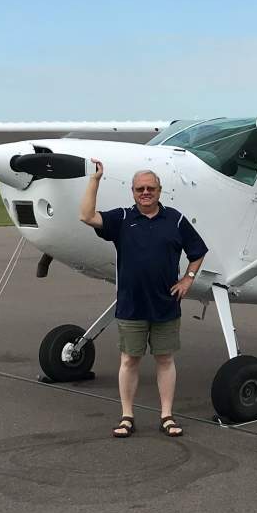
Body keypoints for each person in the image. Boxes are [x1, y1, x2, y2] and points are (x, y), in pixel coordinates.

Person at [79, 162, 207, 439]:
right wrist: (95, 180)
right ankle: (127, 416)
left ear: (160, 191)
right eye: (140, 189)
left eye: (151, 188)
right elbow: (87, 216)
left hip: (165, 305)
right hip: (131, 305)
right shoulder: (122, 218)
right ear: (133, 192)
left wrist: (188, 279)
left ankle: (167, 416)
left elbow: (198, 251)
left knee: (165, 360)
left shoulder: (176, 220)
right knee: (129, 361)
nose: (146, 193)